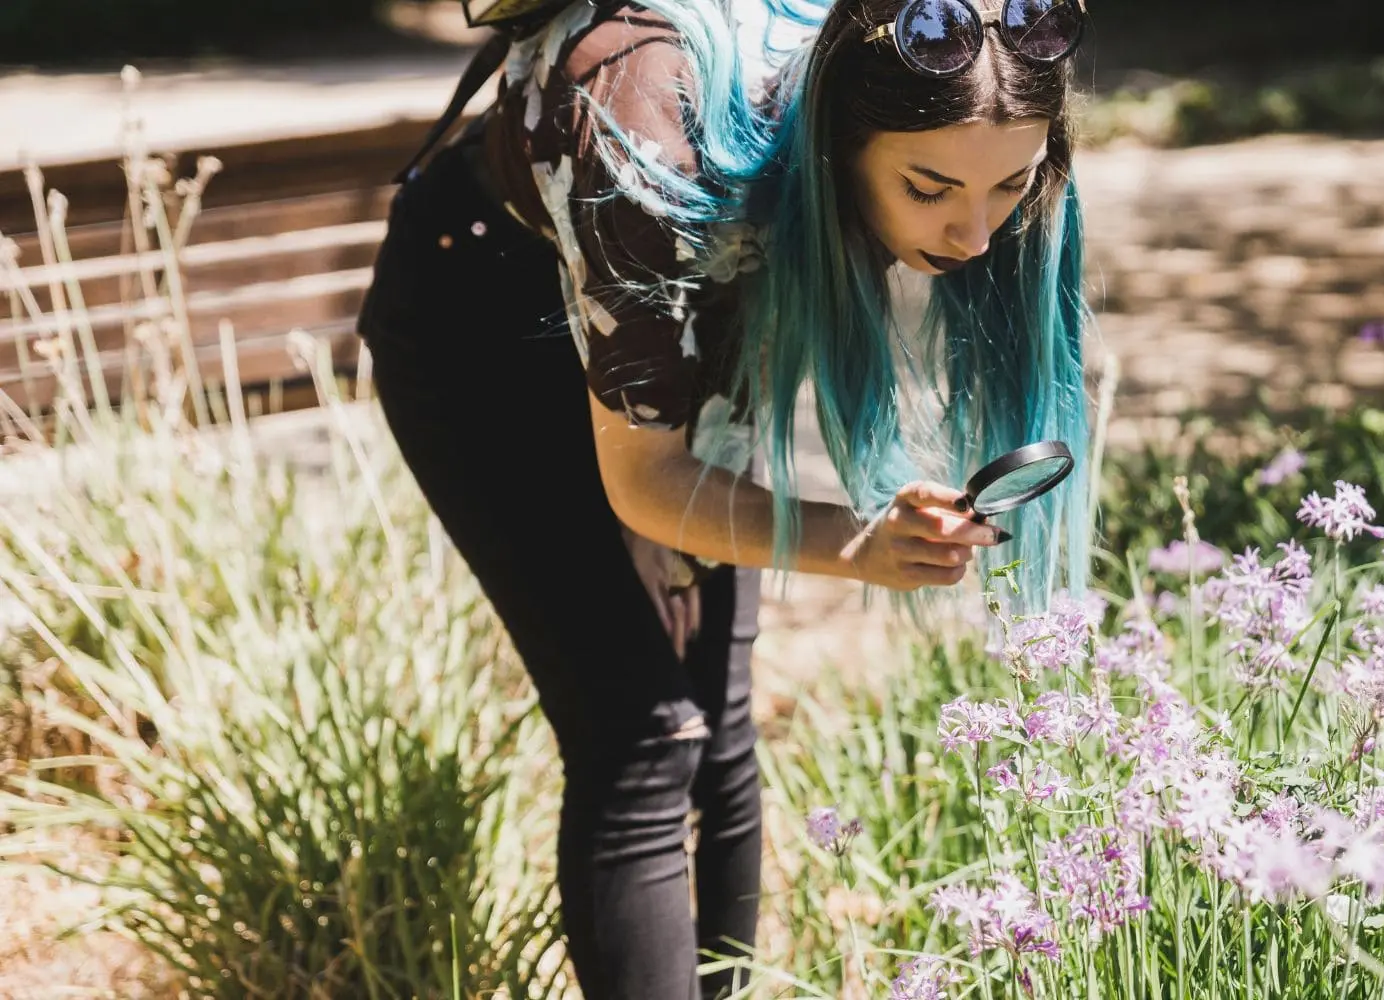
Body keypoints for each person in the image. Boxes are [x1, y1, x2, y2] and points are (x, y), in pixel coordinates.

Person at [353, 0, 1094, 996]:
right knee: (643, 734)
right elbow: (647, 481)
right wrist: (850, 540)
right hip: (481, 326)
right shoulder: (649, 136)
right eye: (928, 190)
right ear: (835, 144)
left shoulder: (958, 125)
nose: (972, 232)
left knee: (718, 715)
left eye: (1011, 186)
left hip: (686, 296)